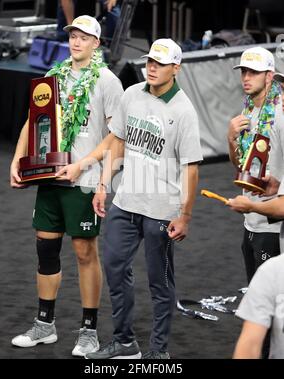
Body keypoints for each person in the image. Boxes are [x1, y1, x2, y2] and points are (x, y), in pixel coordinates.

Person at [74, 38, 203, 359]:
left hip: (161, 210)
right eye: (149, 62)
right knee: (115, 268)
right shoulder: (132, 95)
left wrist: (185, 215)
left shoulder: (184, 111)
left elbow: (192, 169)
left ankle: (159, 352)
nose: (152, 67)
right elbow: (117, 141)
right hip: (125, 202)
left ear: (176, 68)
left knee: (159, 284)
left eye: (160, 63)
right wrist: (104, 184)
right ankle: (125, 341)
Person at [9, 15, 124, 356]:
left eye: (84, 37)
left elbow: (116, 138)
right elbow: (33, 122)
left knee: (84, 251)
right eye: (73, 35)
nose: (76, 41)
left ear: (96, 44)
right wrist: (18, 159)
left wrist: (82, 166)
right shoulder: (52, 77)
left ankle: (89, 330)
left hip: (85, 181)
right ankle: (45, 325)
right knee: (45, 248)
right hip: (49, 177)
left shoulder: (107, 81)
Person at [227, 47, 284, 286]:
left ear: (269, 76)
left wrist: (251, 205)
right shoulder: (249, 109)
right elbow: (240, 165)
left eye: (254, 72)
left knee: (272, 308)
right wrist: (230, 139)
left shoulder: (280, 115)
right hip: (251, 221)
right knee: (257, 298)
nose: (246, 78)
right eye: (244, 72)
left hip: (274, 229)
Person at [227, 184, 284, 359]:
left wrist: (252, 206)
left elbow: (281, 208)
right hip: (254, 226)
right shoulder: (272, 272)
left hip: (269, 230)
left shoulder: (272, 271)